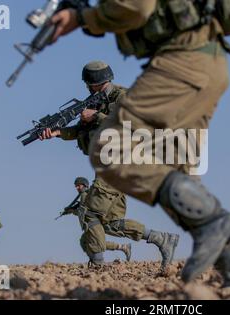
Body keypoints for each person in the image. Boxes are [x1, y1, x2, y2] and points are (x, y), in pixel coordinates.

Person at [44, 1, 230, 288]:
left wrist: (83, 18)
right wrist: (62, 132)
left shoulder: (116, 94)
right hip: (209, 63)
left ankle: (212, 226)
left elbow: (137, 8)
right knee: (183, 176)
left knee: (107, 151)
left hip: (180, 64)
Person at [40, 61, 180, 269]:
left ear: (92, 83)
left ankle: (97, 266)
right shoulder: (95, 101)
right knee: (110, 223)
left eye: (88, 84)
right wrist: (58, 132)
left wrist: (96, 115)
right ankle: (162, 239)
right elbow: (80, 130)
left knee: (88, 213)